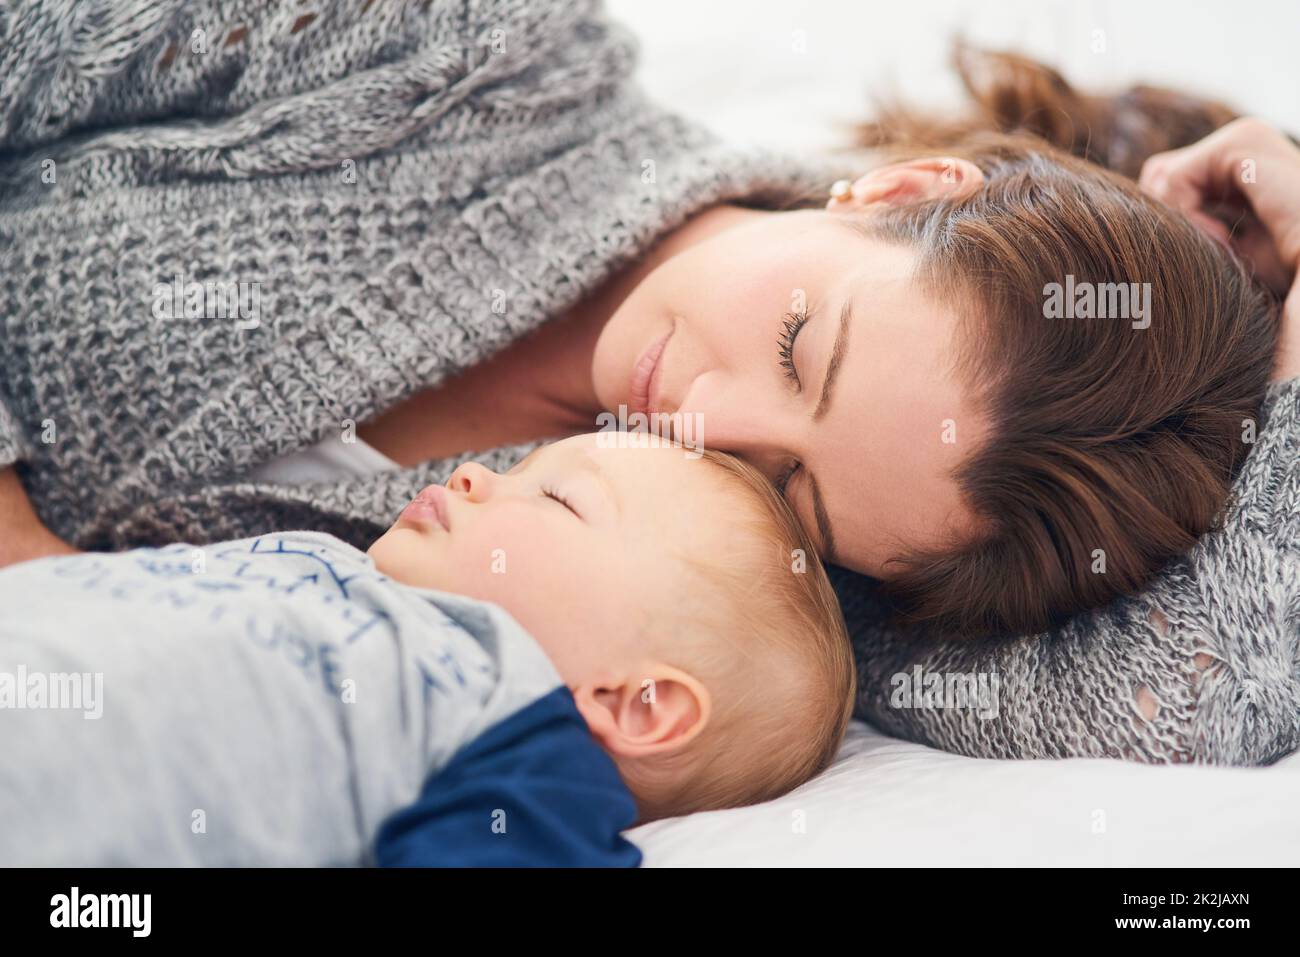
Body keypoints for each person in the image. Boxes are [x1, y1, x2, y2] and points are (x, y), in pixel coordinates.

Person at [0, 2, 1294, 762]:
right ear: (899, 190)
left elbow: (1191, 694)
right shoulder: (474, 60)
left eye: (792, 484)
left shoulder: (745, 601)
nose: (705, 424)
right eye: (800, 345)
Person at [0, 435, 854, 865]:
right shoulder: (327, 562)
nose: (479, 474)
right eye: (519, 465)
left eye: (557, 497)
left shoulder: (519, 734)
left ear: (638, 703)